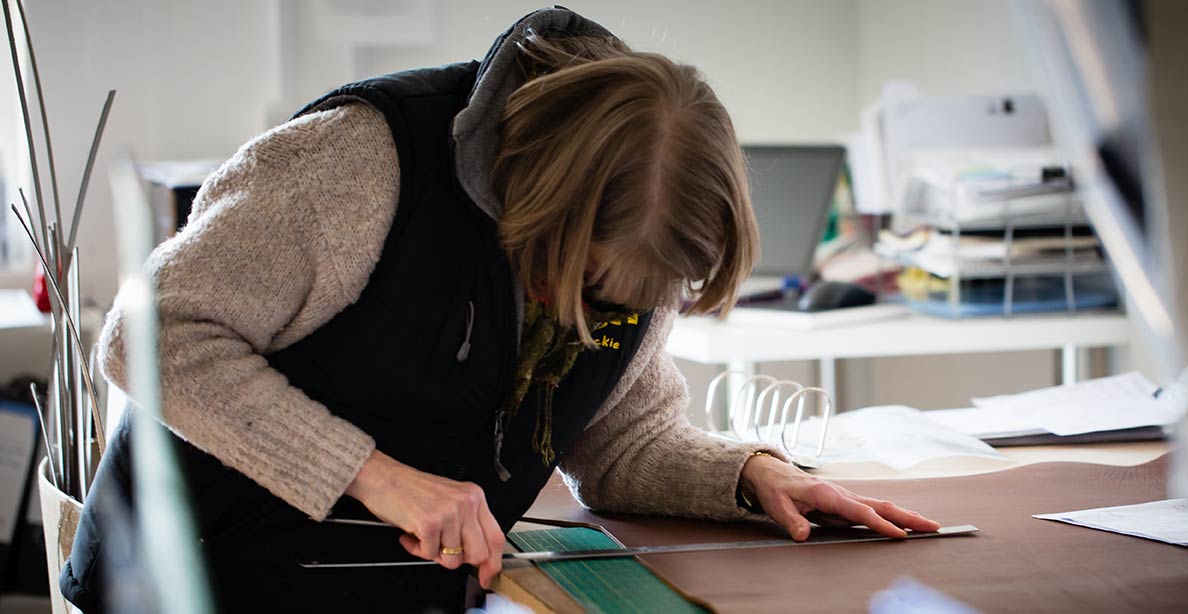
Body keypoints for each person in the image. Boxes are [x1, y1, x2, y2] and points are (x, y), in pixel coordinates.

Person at [60, 7, 939, 612]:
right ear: (540, 202)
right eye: (588, 285)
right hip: (197, 584)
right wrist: (377, 476)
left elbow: (620, 442)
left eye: (632, 305)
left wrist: (747, 476)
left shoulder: (640, 238)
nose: (592, 319)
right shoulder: (359, 165)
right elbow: (151, 338)